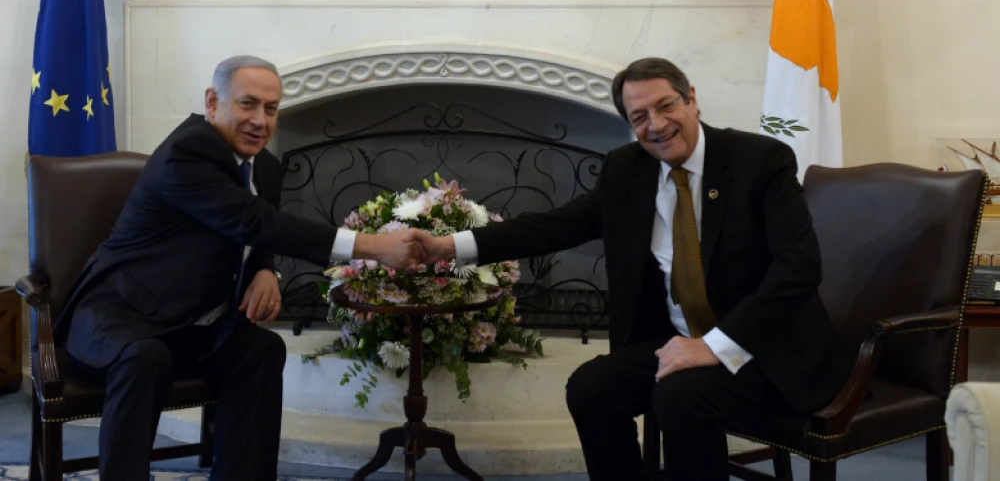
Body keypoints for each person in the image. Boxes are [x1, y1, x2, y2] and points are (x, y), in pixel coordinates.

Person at [412, 57, 854, 480]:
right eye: (639, 116)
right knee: (591, 389)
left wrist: (715, 346)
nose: (656, 125)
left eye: (665, 106)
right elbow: (553, 228)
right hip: (677, 343)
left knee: (681, 397)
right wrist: (446, 246)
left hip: (764, 347)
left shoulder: (760, 161)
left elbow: (798, 269)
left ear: (691, 99)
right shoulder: (627, 170)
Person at [55, 55, 423, 481]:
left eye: (271, 108)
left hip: (185, 321)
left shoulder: (263, 165)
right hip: (117, 313)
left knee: (261, 351)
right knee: (145, 358)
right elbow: (252, 221)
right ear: (213, 102)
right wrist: (374, 247)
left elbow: (258, 231)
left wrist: (267, 270)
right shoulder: (186, 153)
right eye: (247, 104)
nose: (260, 121)